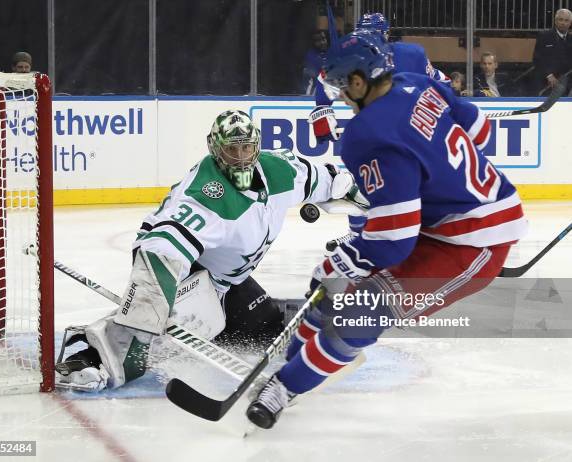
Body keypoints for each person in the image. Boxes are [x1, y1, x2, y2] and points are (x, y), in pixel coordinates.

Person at [246, 30, 528, 429]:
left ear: (360, 81)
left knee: (360, 313)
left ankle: (285, 386)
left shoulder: (367, 136)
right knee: (329, 292)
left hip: (473, 242)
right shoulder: (417, 82)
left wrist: (342, 264)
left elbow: (395, 240)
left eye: (344, 86)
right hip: (440, 221)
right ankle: (291, 357)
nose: (341, 95)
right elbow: (481, 131)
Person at [55, 110, 359, 391]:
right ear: (215, 149)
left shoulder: (278, 170)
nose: (241, 158)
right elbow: (159, 250)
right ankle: (88, 354)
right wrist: (153, 306)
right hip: (191, 277)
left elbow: (326, 178)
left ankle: (214, 325)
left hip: (229, 282)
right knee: (145, 348)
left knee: (265, 325)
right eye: (232, 149)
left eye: (246, 148)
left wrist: (358, 191)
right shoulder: (206, 195)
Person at [309, 12, 449, 250]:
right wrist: (323, 110)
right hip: (376, 131)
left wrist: (444, 106)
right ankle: (359, 235)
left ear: (384, 35)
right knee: (368, 181)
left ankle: (419, 234)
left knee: (403, 181)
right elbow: (325, 80)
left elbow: (439, 81)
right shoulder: (356, 54)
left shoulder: (408, 54)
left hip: (406, 131)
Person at [531, 8, 572, 96]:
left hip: (567, 83)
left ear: (570, 23)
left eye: (566, 20)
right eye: (560, 19)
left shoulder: (570, 39)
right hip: (547, 84)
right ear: (555, 21)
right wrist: (549, 76)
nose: (563, 23)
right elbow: (537, 59)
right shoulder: (544, 36)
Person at [302, 30, 329, 95]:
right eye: (318, 40)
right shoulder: (311, 56)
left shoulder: (328, 53)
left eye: (323, 38)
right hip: (313, 97)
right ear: (312, 42)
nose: (322, 42)